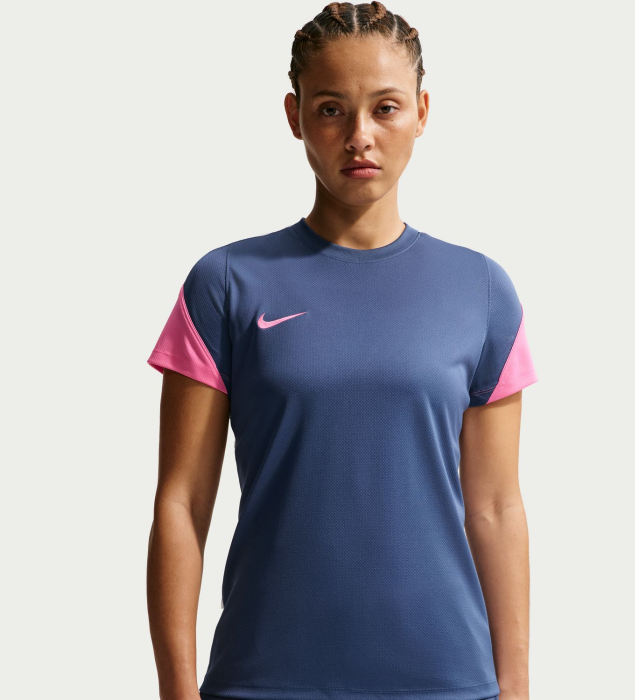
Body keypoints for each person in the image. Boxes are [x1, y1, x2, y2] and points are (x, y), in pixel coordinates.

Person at [146, 3, 538, 700]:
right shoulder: (226, 283)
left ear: (421, 112)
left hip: (446, 682)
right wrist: (176, 692)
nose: (360, 136)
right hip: (263, 681)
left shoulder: (481, 290)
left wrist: (517, 689)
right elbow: (182, 503)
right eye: (331, 110)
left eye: (385, 108)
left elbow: (497, 507)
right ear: (295, 116)